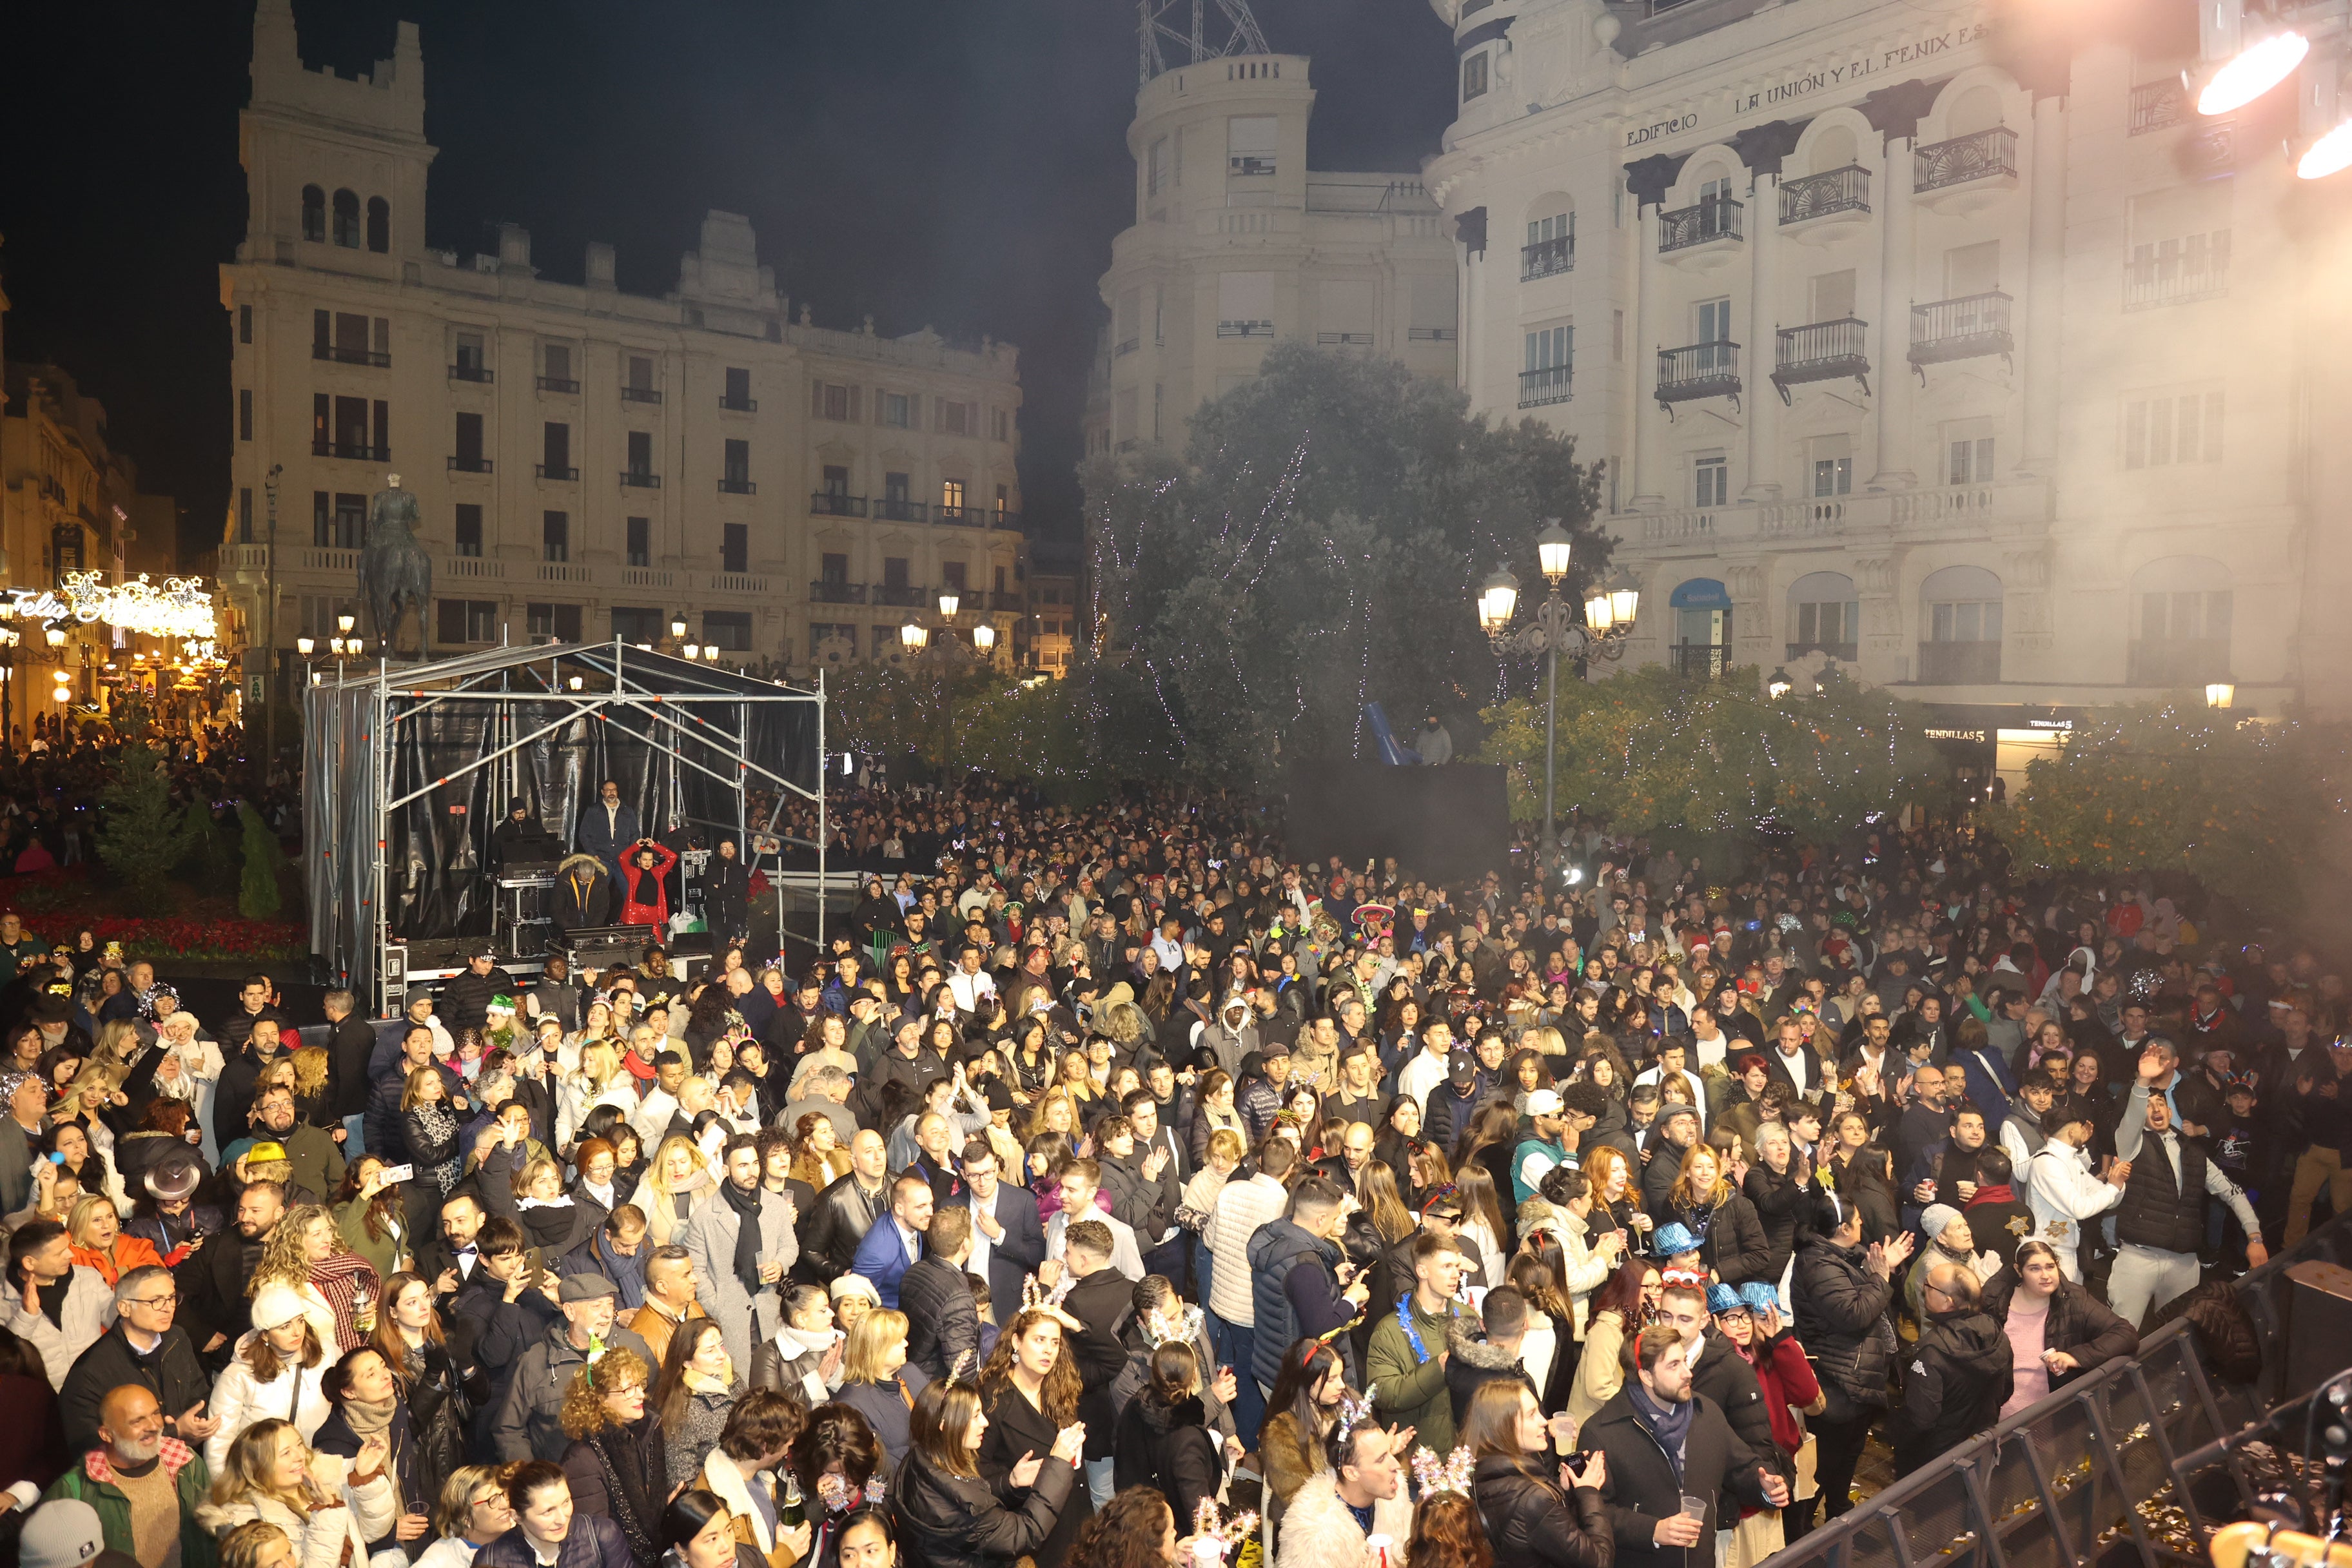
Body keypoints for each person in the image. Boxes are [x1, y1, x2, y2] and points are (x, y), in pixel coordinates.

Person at [1581, 1326, 1785, 1568]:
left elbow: (1740, 1466)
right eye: (1673, 1365)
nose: (1688, 1373)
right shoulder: (1601, 1433)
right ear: (1646, 1375)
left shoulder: (1706, 1412)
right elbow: (1592, 1512)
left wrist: (1762, 1485)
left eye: (1685, 1361)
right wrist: (1653, 1530)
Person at [2108, 1064, 2266, 1329]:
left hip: (2184, 1262)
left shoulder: (2195, 1154)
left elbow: (2233, 1192)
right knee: (2120, 1336)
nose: (2156, 1109)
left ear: (2170, 1112)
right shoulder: (2130, 1144)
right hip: (2138, 1258)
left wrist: (2255, 1236)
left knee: (2176, 1340)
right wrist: (2143, 1081)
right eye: (2148, 1106)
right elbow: (2131, 1119)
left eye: (2160, 1103)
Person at [892, 1377, 1082, 1568]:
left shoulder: (918, 1461)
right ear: (946, 1426)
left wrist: (1011, 1482)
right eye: (975, 1416)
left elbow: (972, 1500)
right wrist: (1058, 1465)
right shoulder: (964, 1509)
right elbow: (1024, 1535)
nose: (985, 1422)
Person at [43, 1384, 217, 1568]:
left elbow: (212, 1535)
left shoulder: (187, 1463)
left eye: (156, 1413)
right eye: (137, 1421)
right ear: (107, 1434)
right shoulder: (76, 1487)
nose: (154, 1426)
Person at [975, 1304, 1094, 1568]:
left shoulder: (1060, 1388)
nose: (1048, 1350)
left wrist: (1072, 1323)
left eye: (1055, 1342)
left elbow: (1111, 1357)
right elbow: (977, 1480)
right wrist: (1012, 1480)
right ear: (1017, 1341)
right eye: (1039, 1340)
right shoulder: (992, 1401)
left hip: (1077, 1516)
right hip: (1035, 1533)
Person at [193, 1416, 397, 1568]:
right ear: (257, 1467)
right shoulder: (249, 1522)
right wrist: (326, 1514)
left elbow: (374, 1531)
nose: (299, 1456)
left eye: (299, 1444)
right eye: (286, 1453)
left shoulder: (324, 1479)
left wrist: (366, 1479)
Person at [495, 1275, 658, 1464]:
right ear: (570, 1312)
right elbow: (508, 1429)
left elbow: (657, 1400)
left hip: (628, 1470)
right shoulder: (535, 1362)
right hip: (564, 1478)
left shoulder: (633, 1346)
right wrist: (535, 1480)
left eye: (610, 1304)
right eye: (596, 1306)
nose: (607, 1314)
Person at [58, 1264, 217, 1457]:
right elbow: (91, 1448)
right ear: (125, 1308)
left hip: (184, 1463)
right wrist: (175, 1433)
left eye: (172, 1298)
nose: (168, 1308)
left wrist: (198, 1423)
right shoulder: (90, 1371)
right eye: (156, 1301)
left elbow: (199, 1393)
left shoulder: (177, 1338)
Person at [682, 1137, 799, 1378]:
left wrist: (780, 1264)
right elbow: (696, 1270)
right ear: (726, 1169)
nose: (752, 1172)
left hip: (770, 1308)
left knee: (776, 1382)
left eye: (755, 1164)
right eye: (743, 1166)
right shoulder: (705, 1216)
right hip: (730, 1314)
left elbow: (790, 1246)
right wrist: (716, 1306)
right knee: (741, 1385)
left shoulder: (775, 1205)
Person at [1464, 1380, 1612, 1568]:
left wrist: (1562, 1489)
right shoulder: (1535, 1500)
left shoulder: (1480, 1473)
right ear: (1504, 1426)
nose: (1544, 1421)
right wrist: (1590, 1493)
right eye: (1531, 1415)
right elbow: (1600, 1562)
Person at [1984, 1241, 2138, 1420]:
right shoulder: (1993, 1302)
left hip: (2052, 1415)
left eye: (2050, 1267)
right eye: (2034, 1269)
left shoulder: (2074, 1299)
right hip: (1997, 1415)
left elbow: (2125, 1333)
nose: (2045, 1276)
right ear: (2019, 1271)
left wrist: (2075, 1357)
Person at [1889, 1264, 2010, 1477]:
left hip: (1934, 1462)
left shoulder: (1932, 1351)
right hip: (1979, 1452)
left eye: (1929, 1286)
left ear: (1948, 1302)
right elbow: (2006, 1389)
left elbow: (1921, 1419)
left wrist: (1898, 1440)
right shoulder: (1997, 1334)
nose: (1923, 1289)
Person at [205, 1288, 334, 1476]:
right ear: (265, 1334)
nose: (297, 1332)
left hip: (322, 1474)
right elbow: (219, 1445)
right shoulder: (238, 1376)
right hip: (266, 1481)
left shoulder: (327, 1354)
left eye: (300, 1321)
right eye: (285, 1326)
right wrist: (231, 1494)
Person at [558, 1346, 667, 1568]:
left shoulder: (648, 1432)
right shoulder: (582, 1459)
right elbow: (593, 1543)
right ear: (601, 1399)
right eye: (628, 1389)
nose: (641, 1394)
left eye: (639, 1384)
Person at [1368, 1232, 1471, 1457]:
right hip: (1417, 1463)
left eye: (1457, 1266)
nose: (1456, 1275)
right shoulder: (1389, 1331)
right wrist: (1439, 1369)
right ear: (1422, 1271)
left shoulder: (1468, 1319)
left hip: (1464, 1459)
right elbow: (1383, 1394)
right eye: (1446, 1267)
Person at [1275, 1405, 1413, 1568]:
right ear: (1352, 1473)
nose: (1396, 1465)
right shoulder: (1313, 1535)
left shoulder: (1395, 1497)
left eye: (1390, 1452)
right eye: (1381, 1459)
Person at [692, 1391, 810, 1568]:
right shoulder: (715, 1504)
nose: (792, 1442)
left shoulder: (761, 1476)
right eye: (787, 1439)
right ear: (765, 1446)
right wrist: (786, 1555)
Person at [1111, 1340, 1221, 1527]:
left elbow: (1120, 1451)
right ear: (1194, 1376)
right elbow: (1200, 1514)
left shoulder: (1136, 1405)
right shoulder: (1188, 1440)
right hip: (1173, 1534)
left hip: (1137, 1519)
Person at [472, 1459, 636, 1568]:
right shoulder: (491, 1560)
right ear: (517, 1517)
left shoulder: (601, 1536)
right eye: (548, 1512)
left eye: (566, 1502)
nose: (562, 1519)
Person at [653, 1318, 741, 1494]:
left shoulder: (732, 1379)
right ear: (687, 1362)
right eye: (710, 1350)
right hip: (717, 1500)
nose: (721, 1355)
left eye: (721, 1346)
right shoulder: (682, 1411)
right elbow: (683, 1483)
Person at [899, 1206, 980, 1384]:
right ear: (965, 1244)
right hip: (934, 1385)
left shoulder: (915, 1270)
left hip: (912, 1373)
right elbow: (962, 1368)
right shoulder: (958, 1299)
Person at [835, 1309, 925, 1470]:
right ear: (876, 1349)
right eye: (898, 1341)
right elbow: (877, 1464)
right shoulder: (850, 1404)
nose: (906, 1343)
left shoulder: (911, 1371)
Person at [416, 1465, 517, 1568]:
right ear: (465, 1517)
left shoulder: (524, 1531)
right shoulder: (436, 1563)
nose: (505, 1505)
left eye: (504, 1495)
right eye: (493, 1500)